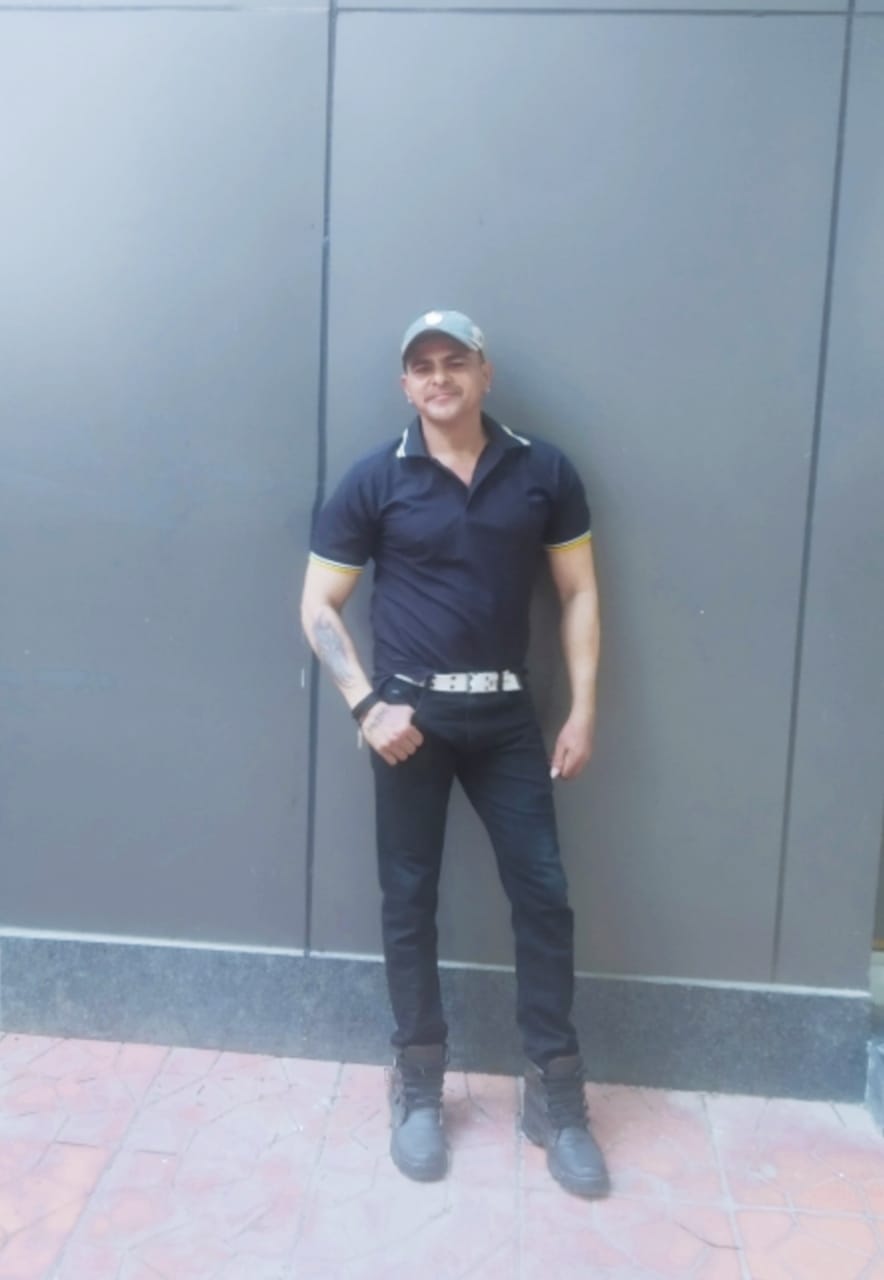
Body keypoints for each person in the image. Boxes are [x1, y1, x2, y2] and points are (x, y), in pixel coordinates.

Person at [300, 309, 609, 1199]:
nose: (440, 377)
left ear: (484, 372)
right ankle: (419, 1084)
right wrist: (368, 707)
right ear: (406, 384)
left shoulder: (543, 471)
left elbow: (579, 592)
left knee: (544, 898)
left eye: (456, 361)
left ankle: (556, 1097)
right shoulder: (375, 479)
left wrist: (584, 709)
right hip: (410, 725)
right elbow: (318, 604)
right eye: (423, 365)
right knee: (409, 901)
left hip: (509, 717)